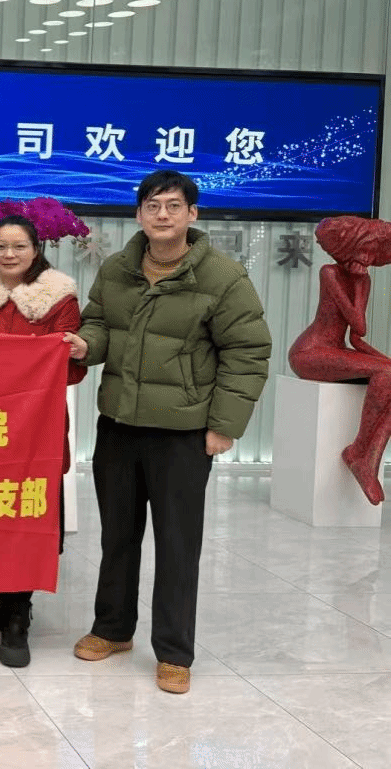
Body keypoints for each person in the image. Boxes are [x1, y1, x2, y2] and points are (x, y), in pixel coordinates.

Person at [64, 169, 270, 694]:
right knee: (117, 537)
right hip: (118, 426)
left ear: (192, 214)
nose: (162, 215)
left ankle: (175, 653)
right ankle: (112, 630)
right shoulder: (117, 269)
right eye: (153, 206)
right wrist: (86, 346)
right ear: (139, 215)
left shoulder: (222, 277)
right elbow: (99, 324)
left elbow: (247, 352)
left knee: (178, 545)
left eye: (174, 205)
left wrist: (223, 426)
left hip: (182, 432)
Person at [0, 210, 86, 668]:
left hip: (37, 427)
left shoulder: (60, 299)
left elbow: (71, 367)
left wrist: (72, 352)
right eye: (0, 246)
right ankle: (3, 600)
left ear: (36, 250)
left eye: (19, 246)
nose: (9, 254)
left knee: (29, 517)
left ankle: (18, 615)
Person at [287, 216, 391, 505]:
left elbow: (357, 337)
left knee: (388, 375)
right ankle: (360, 455)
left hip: (336, 351)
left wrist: (386, 362)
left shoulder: (363, 280)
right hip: (310, 352)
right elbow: (358, 322)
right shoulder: (329, 273)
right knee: (386, 373)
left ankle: (366, 456)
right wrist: (357, 281)